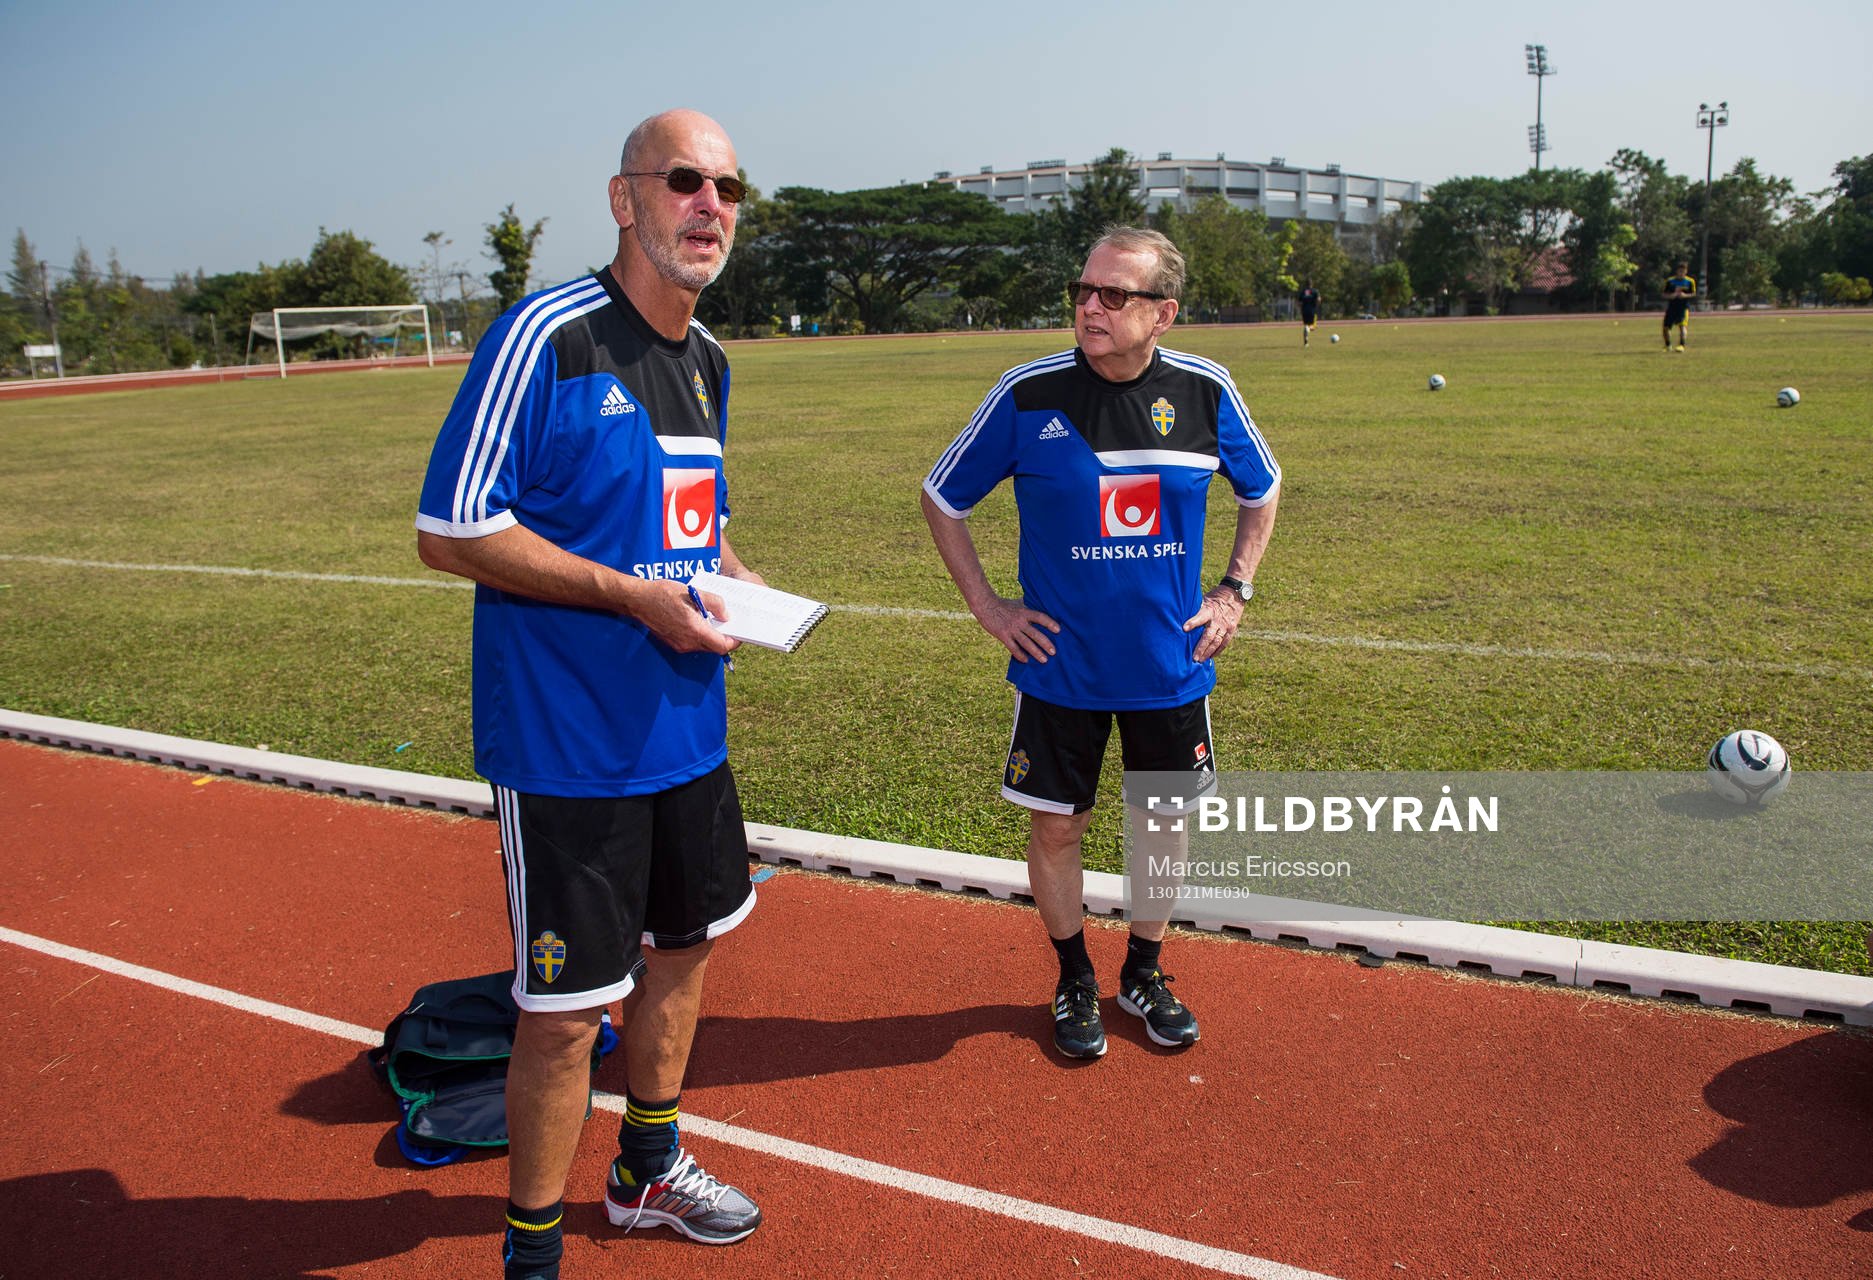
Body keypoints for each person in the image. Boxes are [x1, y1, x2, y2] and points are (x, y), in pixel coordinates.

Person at [416, 108, 763, 1280]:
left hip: (686, 727)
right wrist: (630, 595)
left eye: (726, 186)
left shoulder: (708, 359)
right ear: (626, 200)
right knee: (564, 1013)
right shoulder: (547, 334)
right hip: (570, 746)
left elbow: (679, 521)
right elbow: (451, 527)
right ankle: (530, 1251)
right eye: (682, 181)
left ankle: (647, 1168)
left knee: (684, 949)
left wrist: (725, 569)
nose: (708, 204)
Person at [921, 227, 1281, 1060]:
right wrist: (989, 608)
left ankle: (1145, 972)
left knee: (1161, 821)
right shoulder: (1027, 392)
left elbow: (1261, 491)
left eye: (1113, 296)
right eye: (1083, 291)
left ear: (1162, 313)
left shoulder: (1204, 391)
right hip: (1058, 667)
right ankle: (1074, 977)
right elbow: (943, 500)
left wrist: (1233, 591)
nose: (1089, 306)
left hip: (1168, 664)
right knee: (1058, 828)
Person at [1663, 262, 1696, 351]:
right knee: (1666, 327)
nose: (1681, 273)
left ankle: (1682, 345)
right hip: (1671, 307)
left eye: (1683, 271)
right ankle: (1668, 346)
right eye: (1680, 271)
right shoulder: (1670, 281)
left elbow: (1693, 294)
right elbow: (1664, 294)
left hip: (1683, 307)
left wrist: (1685, 295)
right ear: (1677, 271)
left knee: (1682, 326)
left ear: (1686, 271)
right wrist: (1672, 296)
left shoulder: (1690, 281)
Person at [1298, 280, 1321, 346]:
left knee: (1306, 325)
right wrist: (1317, 304)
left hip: (1304, 311)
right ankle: (1308, 328)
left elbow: (1299, 302)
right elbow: (1319, 299)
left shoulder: (1303, 292)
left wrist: (1301, 309)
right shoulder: (1315, 291)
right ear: (1312, 284)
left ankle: (1306, 343)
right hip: (1312, 311)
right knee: (1313, 327)